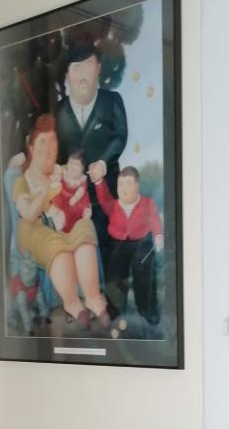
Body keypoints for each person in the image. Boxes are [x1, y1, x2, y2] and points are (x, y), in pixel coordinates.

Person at [11, 114, 109, 333]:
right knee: (55, 244)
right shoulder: (23, 180)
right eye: (43, 142)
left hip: (66, 223)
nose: (49, 148)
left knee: (84, 227)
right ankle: (72, 303)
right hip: (36, 230)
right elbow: (28, 214)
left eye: (53, 140)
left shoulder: (63, 170)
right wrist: (44, 191)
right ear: (31, 148)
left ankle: (93, 297)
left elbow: (80, 180)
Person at [55, 40, 128, 279]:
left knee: (110, 245)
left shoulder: (112, 101)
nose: (82, 75)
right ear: (67, 76)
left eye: (87, 65)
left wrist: (104, 163)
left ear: (98, 68)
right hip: (72, 196)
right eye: (75, 68)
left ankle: (112, 292)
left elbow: (120, 136)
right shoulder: (58, 111)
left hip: (106, 192)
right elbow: (54, 149)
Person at [92, 164, 163, 326]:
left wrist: (158, 235)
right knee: (115, 275)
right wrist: (99, 182)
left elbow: (154, 219)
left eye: (129, 183)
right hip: (118, 242)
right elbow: (103, 198)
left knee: (145, 272)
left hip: (142, 242)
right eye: (121, 184)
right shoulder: (113, 205)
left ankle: (147, 309)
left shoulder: (148, 203)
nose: (123, 188)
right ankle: (115, 308)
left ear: (137, 185)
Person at [47, 151, 91, 233]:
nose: (73, 166)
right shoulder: (65, 174)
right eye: (71, 162)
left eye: (77, 164)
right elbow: (57, 177)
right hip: (63, 197)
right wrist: (51, 179)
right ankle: (48, 218)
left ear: (83, 168)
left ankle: (55, 226)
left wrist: (75, 198)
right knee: (54, 206)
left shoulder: (82, 181)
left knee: (64, 214)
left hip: (74, 203)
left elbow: (80, 192)